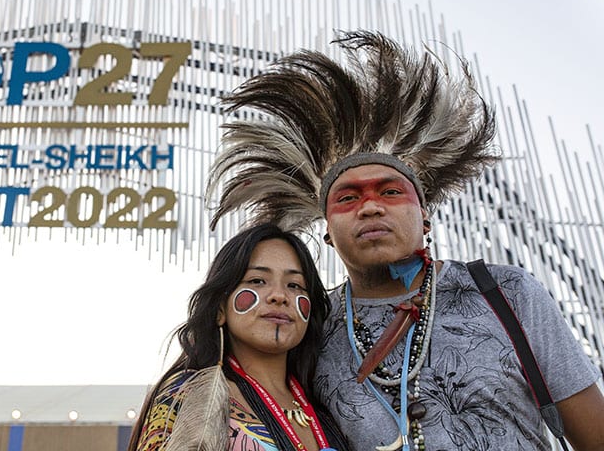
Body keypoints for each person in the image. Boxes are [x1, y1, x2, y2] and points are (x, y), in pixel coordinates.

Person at [206, 31, 604, 450]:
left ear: (424, 216)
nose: (371, 208)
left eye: (390, 192)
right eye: (348, 198)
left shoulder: (506, 294)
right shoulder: (312, 330)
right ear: (326, 230)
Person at [128, 223, 349, 451]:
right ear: (220, 309)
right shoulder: (186, 394)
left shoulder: (329, 402)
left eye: (294, 285)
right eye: (257, 281)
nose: (279, 295)